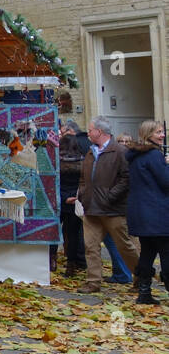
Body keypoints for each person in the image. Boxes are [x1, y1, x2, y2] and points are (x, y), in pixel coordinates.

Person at [77, 116, 141, 294]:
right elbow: (83, 177)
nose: (88, 133)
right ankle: (93, 282)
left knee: (125, 246)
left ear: (99, 132)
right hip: (91, 208)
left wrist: (111, 196)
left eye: (90, 130)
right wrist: (83, 193)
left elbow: (127, 178)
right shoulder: (90, 152)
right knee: (91, 246)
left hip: (113, 209)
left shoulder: (120, 151)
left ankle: (141, 279)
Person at [125, 120, 169, 306]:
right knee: (166, 252)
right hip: (157, 212)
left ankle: (144, 293)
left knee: (147, 252)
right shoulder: (154, 155)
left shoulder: (136, 155)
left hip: (141, 212)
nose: (162, 135)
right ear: (148, 134)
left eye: (162, 132)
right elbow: (166, 182)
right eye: (158, 132)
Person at [57, 133, 87, 275]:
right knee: (73, 234)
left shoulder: (56, 162)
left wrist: (63, 198)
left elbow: (53, 184)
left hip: (59, 200)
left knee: (54, 230)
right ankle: (71, 264)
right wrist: (76, 197)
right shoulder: (83, 162)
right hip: (76, 200)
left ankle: (51, 261)